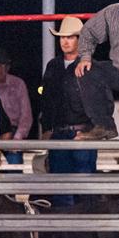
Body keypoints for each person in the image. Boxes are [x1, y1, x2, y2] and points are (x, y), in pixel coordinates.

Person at [41, 16, 96, 207]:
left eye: (70, 37)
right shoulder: (53, 66)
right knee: (61, 190)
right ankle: (64, 233)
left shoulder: (90, 67)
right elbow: (47, 100)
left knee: (83, 192)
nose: (65, 41)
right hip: (59, 133)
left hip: (82, 134)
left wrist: (90, 132)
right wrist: (47, 128)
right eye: (62, 37)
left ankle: (83, 233)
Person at [75, 0, 119, 140]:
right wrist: (86, 56)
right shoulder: (112, 12)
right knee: (86, 70)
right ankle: (104, 126)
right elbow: (88, 32)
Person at [0, 47, 32, 164]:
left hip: (13, 132)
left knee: (14, 162)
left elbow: (26, 116)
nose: (3, 69)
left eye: (5, 65)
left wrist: (17, 139)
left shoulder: (18, 84)